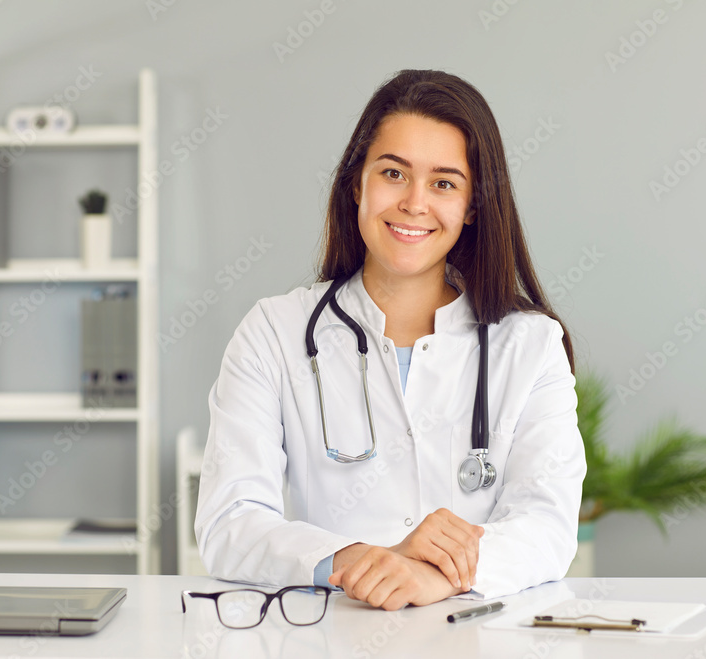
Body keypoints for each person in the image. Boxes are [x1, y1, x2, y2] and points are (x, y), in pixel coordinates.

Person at [195, 69, 585, 611]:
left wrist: (439, 575)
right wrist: (359, 560)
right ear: (358, 182)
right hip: (332, 634)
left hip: (475, 636)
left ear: (472, 206)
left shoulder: (531, 344)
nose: (414, 203)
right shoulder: (273, 332)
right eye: (394, 173)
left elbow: (547, 524)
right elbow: (230, 522)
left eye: (444, 183)